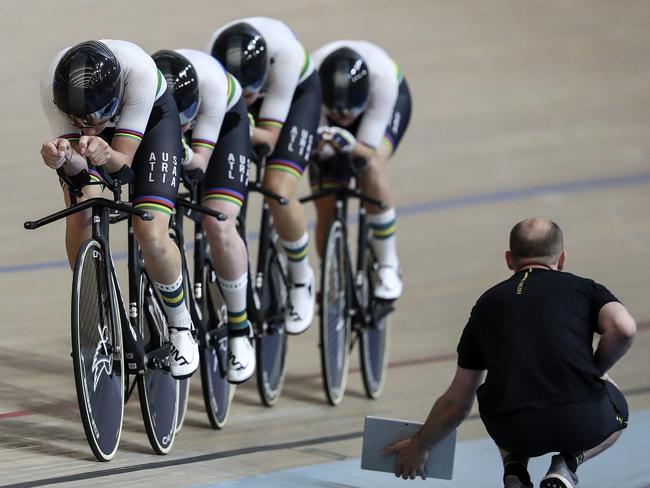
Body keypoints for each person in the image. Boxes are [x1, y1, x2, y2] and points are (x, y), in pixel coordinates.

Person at [383, 218, 636, 488]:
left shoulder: (485, 304)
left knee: (502, 386)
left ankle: (514, 466)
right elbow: (624, 328)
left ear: (508, 259)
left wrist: (421, 445)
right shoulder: (586, 289)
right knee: (617, 405)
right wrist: (596, 371)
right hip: (579, 420)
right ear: (561, 259)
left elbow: (456, 403)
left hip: (513, 429)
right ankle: (566, 465)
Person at [39, 40, 198, 379]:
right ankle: (95, 313)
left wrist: (103, 152)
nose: (89, 124)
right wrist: (63, 157)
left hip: (153, 121)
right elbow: (82, 178)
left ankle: (181, 325)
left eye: (97, 117)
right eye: (80, 119)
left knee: (150, 231)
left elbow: (123, 167)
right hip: (103, 122)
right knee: (81, 206)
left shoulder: (138, 74)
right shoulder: (52, 84)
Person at [207, 17, 321, 334]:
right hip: (235, 99)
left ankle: (301, 278)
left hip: (297, 96)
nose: (247, 101)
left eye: (251, 95)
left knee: (277, 189)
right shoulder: (214, 58)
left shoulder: (286, 57)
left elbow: (269, 137)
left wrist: (238, 129)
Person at [152, 49, 255, 383]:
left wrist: (182, 151)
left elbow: (198, 165)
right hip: (159, 121)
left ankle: (240, 329)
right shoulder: (145, 95)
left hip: (224, 123)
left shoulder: (211, 88)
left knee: (218, 222)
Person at [310, 40, 412, 300]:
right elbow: (314, 147)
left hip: (388, 102)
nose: (345, 118)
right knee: (325, 200)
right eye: (337, 113)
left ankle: (388, 263)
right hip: (323, 104)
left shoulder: (383, 81)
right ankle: (331, 273)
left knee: (371, 166)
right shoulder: (310, 82)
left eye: (350, 113)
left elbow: (367, 149)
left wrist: (354, 147)